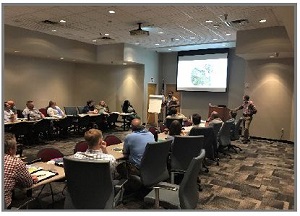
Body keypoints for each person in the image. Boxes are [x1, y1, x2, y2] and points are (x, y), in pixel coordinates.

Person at [4, 133, 38, 208]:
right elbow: (28, 184)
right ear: (10, 150)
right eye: (16, 146)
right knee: (35, 202)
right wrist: (31, 179)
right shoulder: (15, 162)